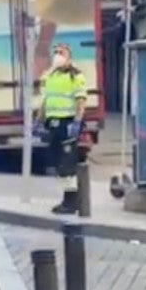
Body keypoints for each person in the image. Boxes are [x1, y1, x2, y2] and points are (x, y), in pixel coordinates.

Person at [38, 43, 87, 215]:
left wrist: (77, 122)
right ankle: (67, 200)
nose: (58, 55)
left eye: (62, 53)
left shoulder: (75, 76)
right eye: (56, 52)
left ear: (69, 57)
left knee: (68, 165)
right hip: (53, 124)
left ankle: (71, 202)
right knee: (59, 164)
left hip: (68, 124)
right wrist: (38, 121)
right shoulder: (50, 76)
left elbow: (81, 101)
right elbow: (46, 101)